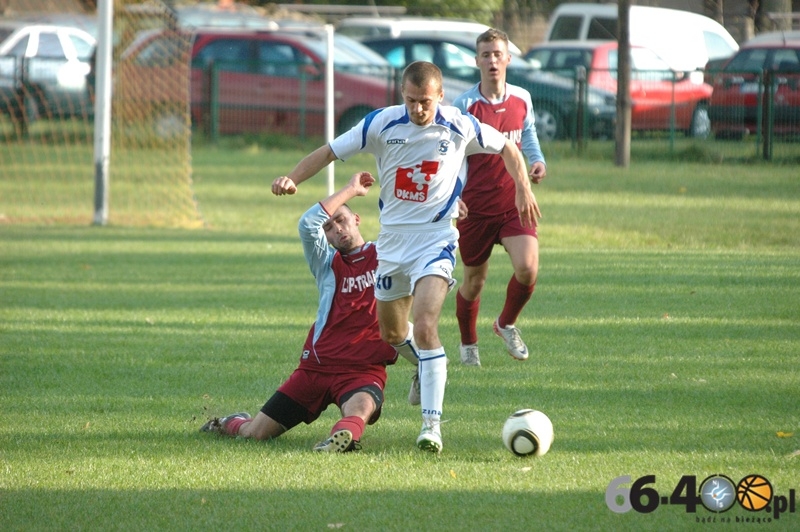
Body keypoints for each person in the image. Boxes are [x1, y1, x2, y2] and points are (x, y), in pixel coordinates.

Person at [271, 61, 541, 453]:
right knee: (393, 333)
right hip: (393, 246)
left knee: (427, 322)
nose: (418, 109)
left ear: (440, 96)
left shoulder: (459, 124)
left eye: (425, 102)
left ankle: (431, 426)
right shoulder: (380, 123)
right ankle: (421, 365)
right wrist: (292, 177)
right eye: (412, 101)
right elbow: (328, 152)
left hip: (436, 240)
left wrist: (522, 189)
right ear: (402, 95)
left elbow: (509, 147)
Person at [201, 172, 399, 452]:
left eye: (341, 221)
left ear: (356, 220)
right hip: (316, 368)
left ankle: (340, 440)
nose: (337, 230)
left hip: (363, 370)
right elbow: (308, 224)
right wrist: (351, 189)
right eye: (329, 228)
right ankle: (231, 422)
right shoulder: (327, 263)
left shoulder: (387, 255)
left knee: (359, 410)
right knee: (254, 434)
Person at [451, 29, 547, 367]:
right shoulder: (464, 105)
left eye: (497, 53)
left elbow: (528, 135)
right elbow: (452, 156)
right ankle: (468, 344)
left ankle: (505, 323)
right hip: (474, 208)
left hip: (514, 202)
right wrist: (454, 197)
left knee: (528, 268)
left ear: (508, 58)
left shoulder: (522, 98)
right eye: (486, 54)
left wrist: (537, 161)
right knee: (474, 282)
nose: (492, 60)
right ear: (477, 61)